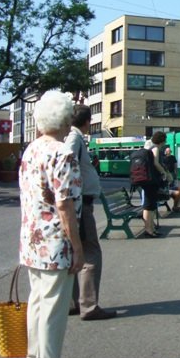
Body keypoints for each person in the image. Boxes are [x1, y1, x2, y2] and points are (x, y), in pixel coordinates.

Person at [19, 91, 84, 358]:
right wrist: (78, 247)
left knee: (37, 303)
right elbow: (65, 204)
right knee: (53, 312)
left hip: (32, 242)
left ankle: (34, 357)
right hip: (57, 244)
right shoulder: (63, 154)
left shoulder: (31, 150)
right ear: (65, 120)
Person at [64, 105, 117, 321]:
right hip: (80, 205)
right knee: (91, 253)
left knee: (78, 253)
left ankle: (75, 302)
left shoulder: (74, 138)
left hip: (78, 203)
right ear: (87, 121)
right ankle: (88, 305)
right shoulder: (74, 139)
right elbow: (67, 166)